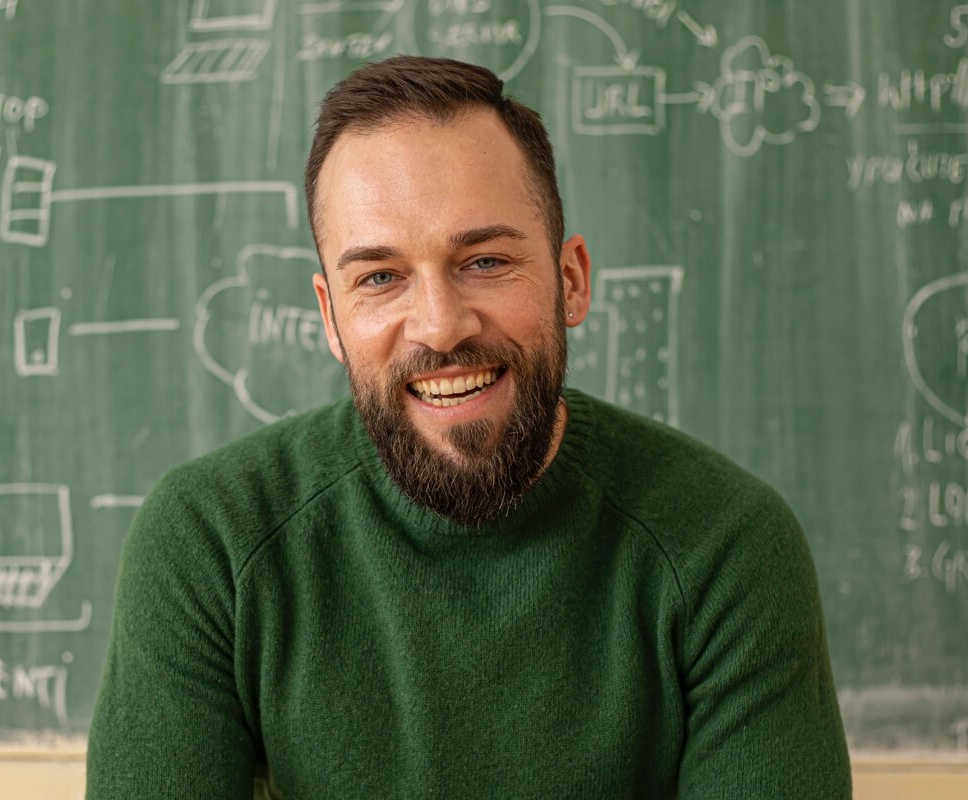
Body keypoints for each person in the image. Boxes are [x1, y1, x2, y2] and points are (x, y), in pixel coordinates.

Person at [86, 55, 852, 799]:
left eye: (484, 261)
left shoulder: (726, 544)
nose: (441, 326)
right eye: (380, 278)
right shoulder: (209, 539)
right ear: (329, 315)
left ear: (571, 280)